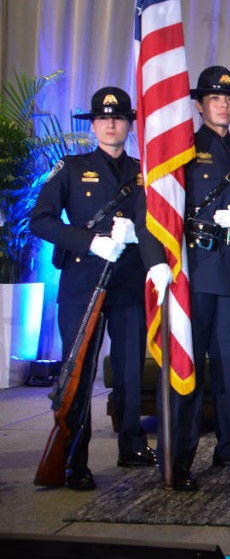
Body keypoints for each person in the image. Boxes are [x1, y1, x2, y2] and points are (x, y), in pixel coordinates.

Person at [147, 66, 230, 491]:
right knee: (189, 368)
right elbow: (158, 213)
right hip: (194, 273)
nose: (225, 105)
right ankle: (177, 457)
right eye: (216, 99)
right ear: (199, 106)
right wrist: (156, 261)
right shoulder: (180, 151)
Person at [30, 87, 157, 490]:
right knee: (79, 371)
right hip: (83, 281)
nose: (111, 124)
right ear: (94, 125)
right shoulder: (70, 167)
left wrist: (138, 235)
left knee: (130, 367)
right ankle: (73, 459)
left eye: (118, 118)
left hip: (129, 279)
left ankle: (131, 443)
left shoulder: (145, 172)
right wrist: (90, 241)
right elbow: (41, 221)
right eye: (103, 119)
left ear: (129, 124)